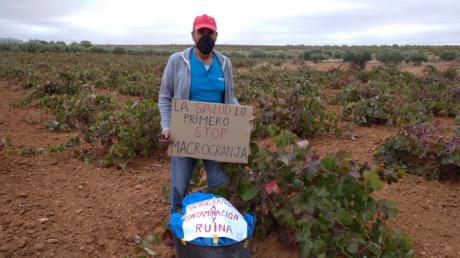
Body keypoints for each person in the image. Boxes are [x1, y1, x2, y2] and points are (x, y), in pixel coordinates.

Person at [158, 14, 239, 214]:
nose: (205, 36)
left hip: (216, 136)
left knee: (219, 184)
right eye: (201, 32)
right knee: (179, 186)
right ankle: (176, 226)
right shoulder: (178, 60)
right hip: (185, 135)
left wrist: (240, 114)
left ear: (216, 35)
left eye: (209, 32)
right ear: (192, 35)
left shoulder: (224, 63)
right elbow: (165, 96)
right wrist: (166, 126)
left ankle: (214, 225)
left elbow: (230, 96)